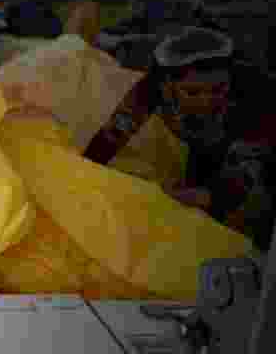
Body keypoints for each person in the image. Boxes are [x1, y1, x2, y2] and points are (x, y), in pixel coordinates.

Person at [85, 27, 274, 250]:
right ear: (167, 87)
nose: (206, 101)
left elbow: (241, 177)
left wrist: (192, 197)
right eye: (193, 92)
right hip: (208, 143)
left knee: (257, 222)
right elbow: (112, 136)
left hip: (262, 150)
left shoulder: (257, 98)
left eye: (218, 89)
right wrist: (86, 175)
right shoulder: (151, 87)